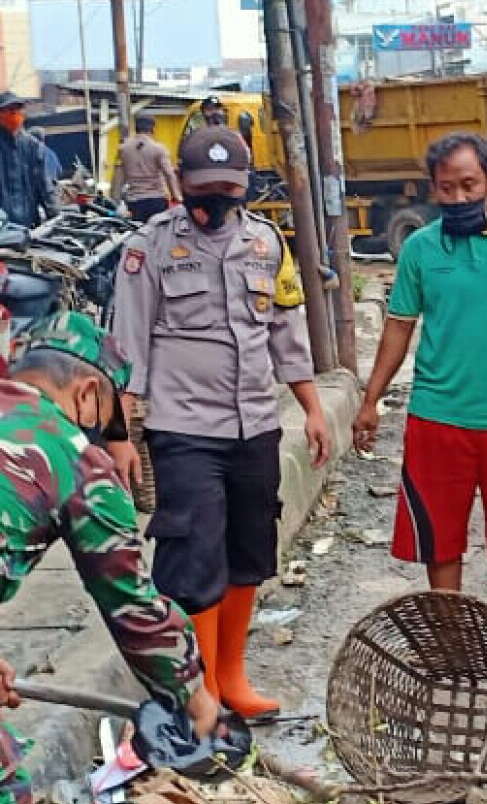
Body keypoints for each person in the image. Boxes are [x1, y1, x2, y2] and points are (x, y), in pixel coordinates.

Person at [111, 127, 331, 720]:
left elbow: (285, 331)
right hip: (183, 429)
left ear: (245, 189)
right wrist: (120, 437)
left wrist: (311, 408)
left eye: (227, 194)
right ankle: (200, 687)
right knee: (195, 556)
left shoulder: (267, 243)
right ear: (179, 184)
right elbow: (126, 348)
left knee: (247, 552)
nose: (214, 206)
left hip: (255, 424)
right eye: (203, 193)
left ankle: (232, 675)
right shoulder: (149, 247)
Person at [0, 312, 218, 804]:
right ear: (89, 393)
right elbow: (135, 609)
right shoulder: (73, 457)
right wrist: (199, 704)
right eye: (112, 415)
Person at [352, 133, 487, 590]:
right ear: (432, 189)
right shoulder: (419, 249)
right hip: (436, 418)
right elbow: (398, 328)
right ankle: (449, 643)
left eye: (469, 184)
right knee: (439, 545)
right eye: (446, 188)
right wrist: (370, 402)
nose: (459, 197)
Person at [0, 91, 57, 229]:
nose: (15, 113)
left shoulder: (33, 146)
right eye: (10, 110)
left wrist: (55, 218)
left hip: (29, 226)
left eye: (18, 109)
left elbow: (45, 187)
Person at [117, 114, 183, 223]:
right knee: (159, 234)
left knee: (139, 234)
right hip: (156, 200)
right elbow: (169, 174)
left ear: (136, 127)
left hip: (134, 201)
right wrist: (177, 196)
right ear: (152, 128)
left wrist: (116, 201)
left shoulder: (123, 149)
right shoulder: (159, 148)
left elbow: (119, 177)